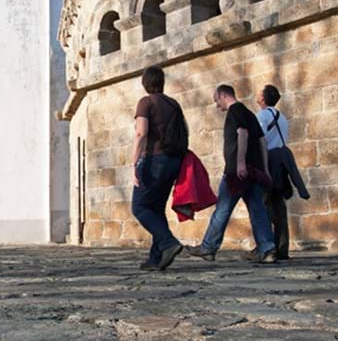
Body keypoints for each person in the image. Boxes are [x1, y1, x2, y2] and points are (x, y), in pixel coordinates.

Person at [187, 85, 278, 264]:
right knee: (258, 210)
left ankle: (208, 247)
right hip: (254, 171)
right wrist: (265, 169)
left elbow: (242, 134)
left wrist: (240, 163)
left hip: (237, 172)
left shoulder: (235, 111)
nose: (217, 105)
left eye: (216, 100)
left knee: (222, 209)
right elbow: (262, 141)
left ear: (223, 95)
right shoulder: (250, 114)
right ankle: (267, 249)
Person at [131, 67, 186, 271]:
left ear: (145, 83)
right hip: (174, 161)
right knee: (156, 208)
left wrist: (135, 163)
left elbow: (141, 133)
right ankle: (156, 258)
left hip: (154, 160)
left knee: (140, 207)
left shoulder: (146, 102)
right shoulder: (174, 104)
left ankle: (168, 242)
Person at [256, 84, 310, 260]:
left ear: (263, 98)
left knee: (262, 205)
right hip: (281, 163)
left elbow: (261, 140)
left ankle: (265, 247)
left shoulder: (262, 115)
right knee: (279, 207)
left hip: (269, 161)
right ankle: (282, 247)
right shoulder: (283, 118)